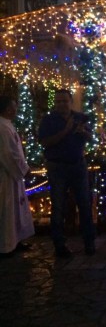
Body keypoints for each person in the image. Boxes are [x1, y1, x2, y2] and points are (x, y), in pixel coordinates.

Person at [38, 89, 95, 257]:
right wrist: (66, 130)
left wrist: (83, 132)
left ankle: (89, 243)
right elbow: (45, 142)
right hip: (58, 167)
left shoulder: (80, 117)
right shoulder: (48, 120)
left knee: (84, 204)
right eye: (58, 101)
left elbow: (91, 138)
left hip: (78, 165)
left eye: (64, 101)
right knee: (58, 206)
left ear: (71, 102)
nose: (61, 104)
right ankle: (60, 245)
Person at [0, 96, 35, 258]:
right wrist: (24, 169)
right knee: (8, 209)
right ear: (8, 109)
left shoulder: (7, 125)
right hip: (7, 177)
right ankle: (7, 244)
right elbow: (9, 154)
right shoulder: (3, 127)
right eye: (14, 106)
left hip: (13, 175)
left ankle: (16, 240)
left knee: (16, 208)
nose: (16, 109)